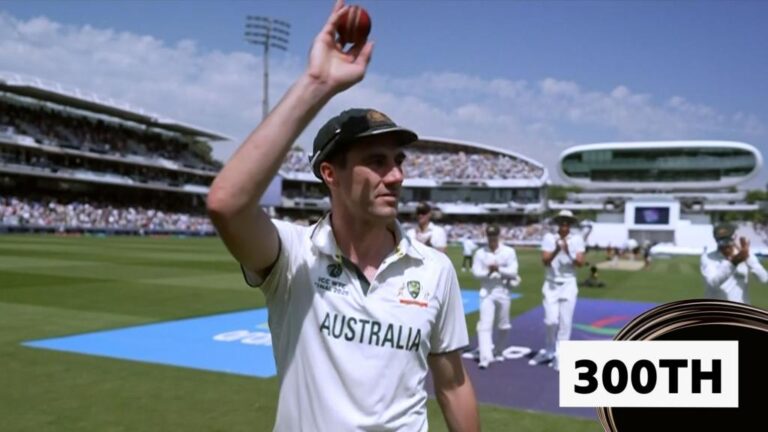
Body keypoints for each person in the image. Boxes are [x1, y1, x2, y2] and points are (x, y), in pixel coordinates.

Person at [206, 2, 479, 430]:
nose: (396, 176)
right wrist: (317, 83)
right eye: (377, 161)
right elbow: (226, 203)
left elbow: (452, 385)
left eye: (398, 161)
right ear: (330, 174)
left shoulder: (435, 269)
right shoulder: (292, 258)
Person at [529, 209, 585, 371]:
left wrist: (567, 251)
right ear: (558, 223)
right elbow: (545, 261)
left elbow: (580, 263)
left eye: (567, 223)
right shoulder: (549, 238)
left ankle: (560, 356)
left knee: (565, 323)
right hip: (551, 283)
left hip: (568, 284)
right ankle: (548, 350)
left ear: (571, 225)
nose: (564, 225)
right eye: (562, 222)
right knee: (550, 321)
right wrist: (556, 250)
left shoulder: (577, 240)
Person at [472, 224, 521, 369]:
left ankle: (499, 350)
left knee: (503, 325)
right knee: (484, 325)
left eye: (494, 236)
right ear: (486, 236)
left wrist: (498, 268)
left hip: (503, 291)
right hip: (487, 291)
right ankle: (485, 357)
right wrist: (488, 271)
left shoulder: (508, 251)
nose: (492, 239)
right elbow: (475, 272)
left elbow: (514, 271)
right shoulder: (480, 253)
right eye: (489, 236)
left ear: (498, 236)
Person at [701, 223, 768, 304]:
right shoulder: (708, 258)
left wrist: (748, 258)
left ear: (734, 237)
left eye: (728, 239)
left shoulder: (743, 253)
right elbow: (713, 283)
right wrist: (733, 263)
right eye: (721, 240)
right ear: (716, 240)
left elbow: (764, 278)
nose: (725, 244)